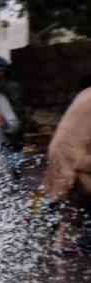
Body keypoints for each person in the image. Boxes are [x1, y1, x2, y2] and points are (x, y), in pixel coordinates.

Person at [43, 81, 91, 255]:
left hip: (60, 151)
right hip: (76, 156)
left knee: (70, 197)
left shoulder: (85, 93)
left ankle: (60, 241)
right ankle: (78, 241)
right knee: (77, 194)